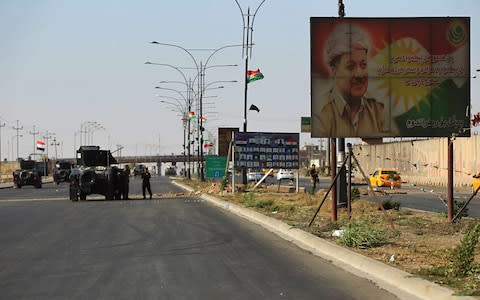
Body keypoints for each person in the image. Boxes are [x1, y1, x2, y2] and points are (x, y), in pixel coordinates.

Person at [312, 22, 386, 137]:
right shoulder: (321, 114)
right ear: (334, 70)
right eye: (350, 67)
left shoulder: (378, 111)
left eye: (363, 65)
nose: (359, 74)